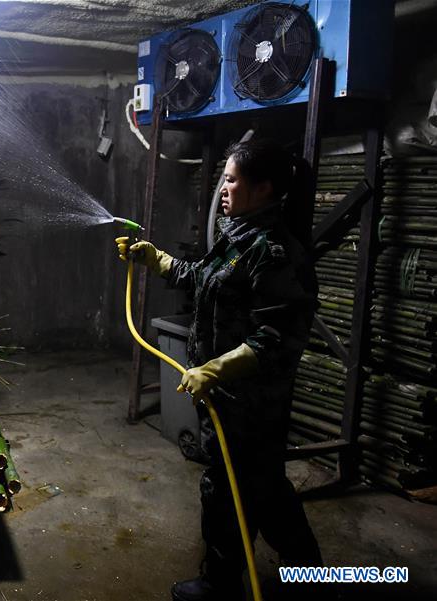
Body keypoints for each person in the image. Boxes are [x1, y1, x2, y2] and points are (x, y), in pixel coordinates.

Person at [116, 138, 323, 600]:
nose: (223, 189)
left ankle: (220, 584)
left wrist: (213, 370)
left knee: (228, 491)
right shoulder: (239, 237)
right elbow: (200, 279)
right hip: (227, 397)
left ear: (264, 188)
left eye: (230, 180)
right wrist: (155, 259)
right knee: (264, 487)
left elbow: (274, 341)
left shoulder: (274, 253)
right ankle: (311, 577)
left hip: (251, 403)